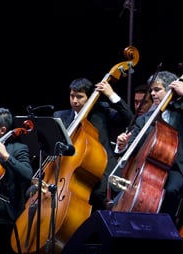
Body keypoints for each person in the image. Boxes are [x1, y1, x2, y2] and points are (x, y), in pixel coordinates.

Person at [114, 70, 183, 222]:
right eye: (151, 91)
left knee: (168, 190)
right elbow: (131, 145)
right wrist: (122, 145)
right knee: (119, 197)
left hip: (179, 170)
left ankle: (164, 228)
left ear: (171, 88)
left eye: (157, 90)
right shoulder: (145, 119)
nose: (153, 94)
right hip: (150, 171)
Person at [53, 77, 134, 211]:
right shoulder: (60, 116)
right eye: (72, 96)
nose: (74, 101)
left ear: (90, 97)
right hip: (73, 171)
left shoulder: (102, 111)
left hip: (102, 168)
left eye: (80, 97)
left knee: (98, 195)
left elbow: (129, 119)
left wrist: (111, 95)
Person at [0, 107, 33, 254]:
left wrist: (6, 157)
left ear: (3, 130)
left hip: (5, 202)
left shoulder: (17, 149)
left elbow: (28, 174)